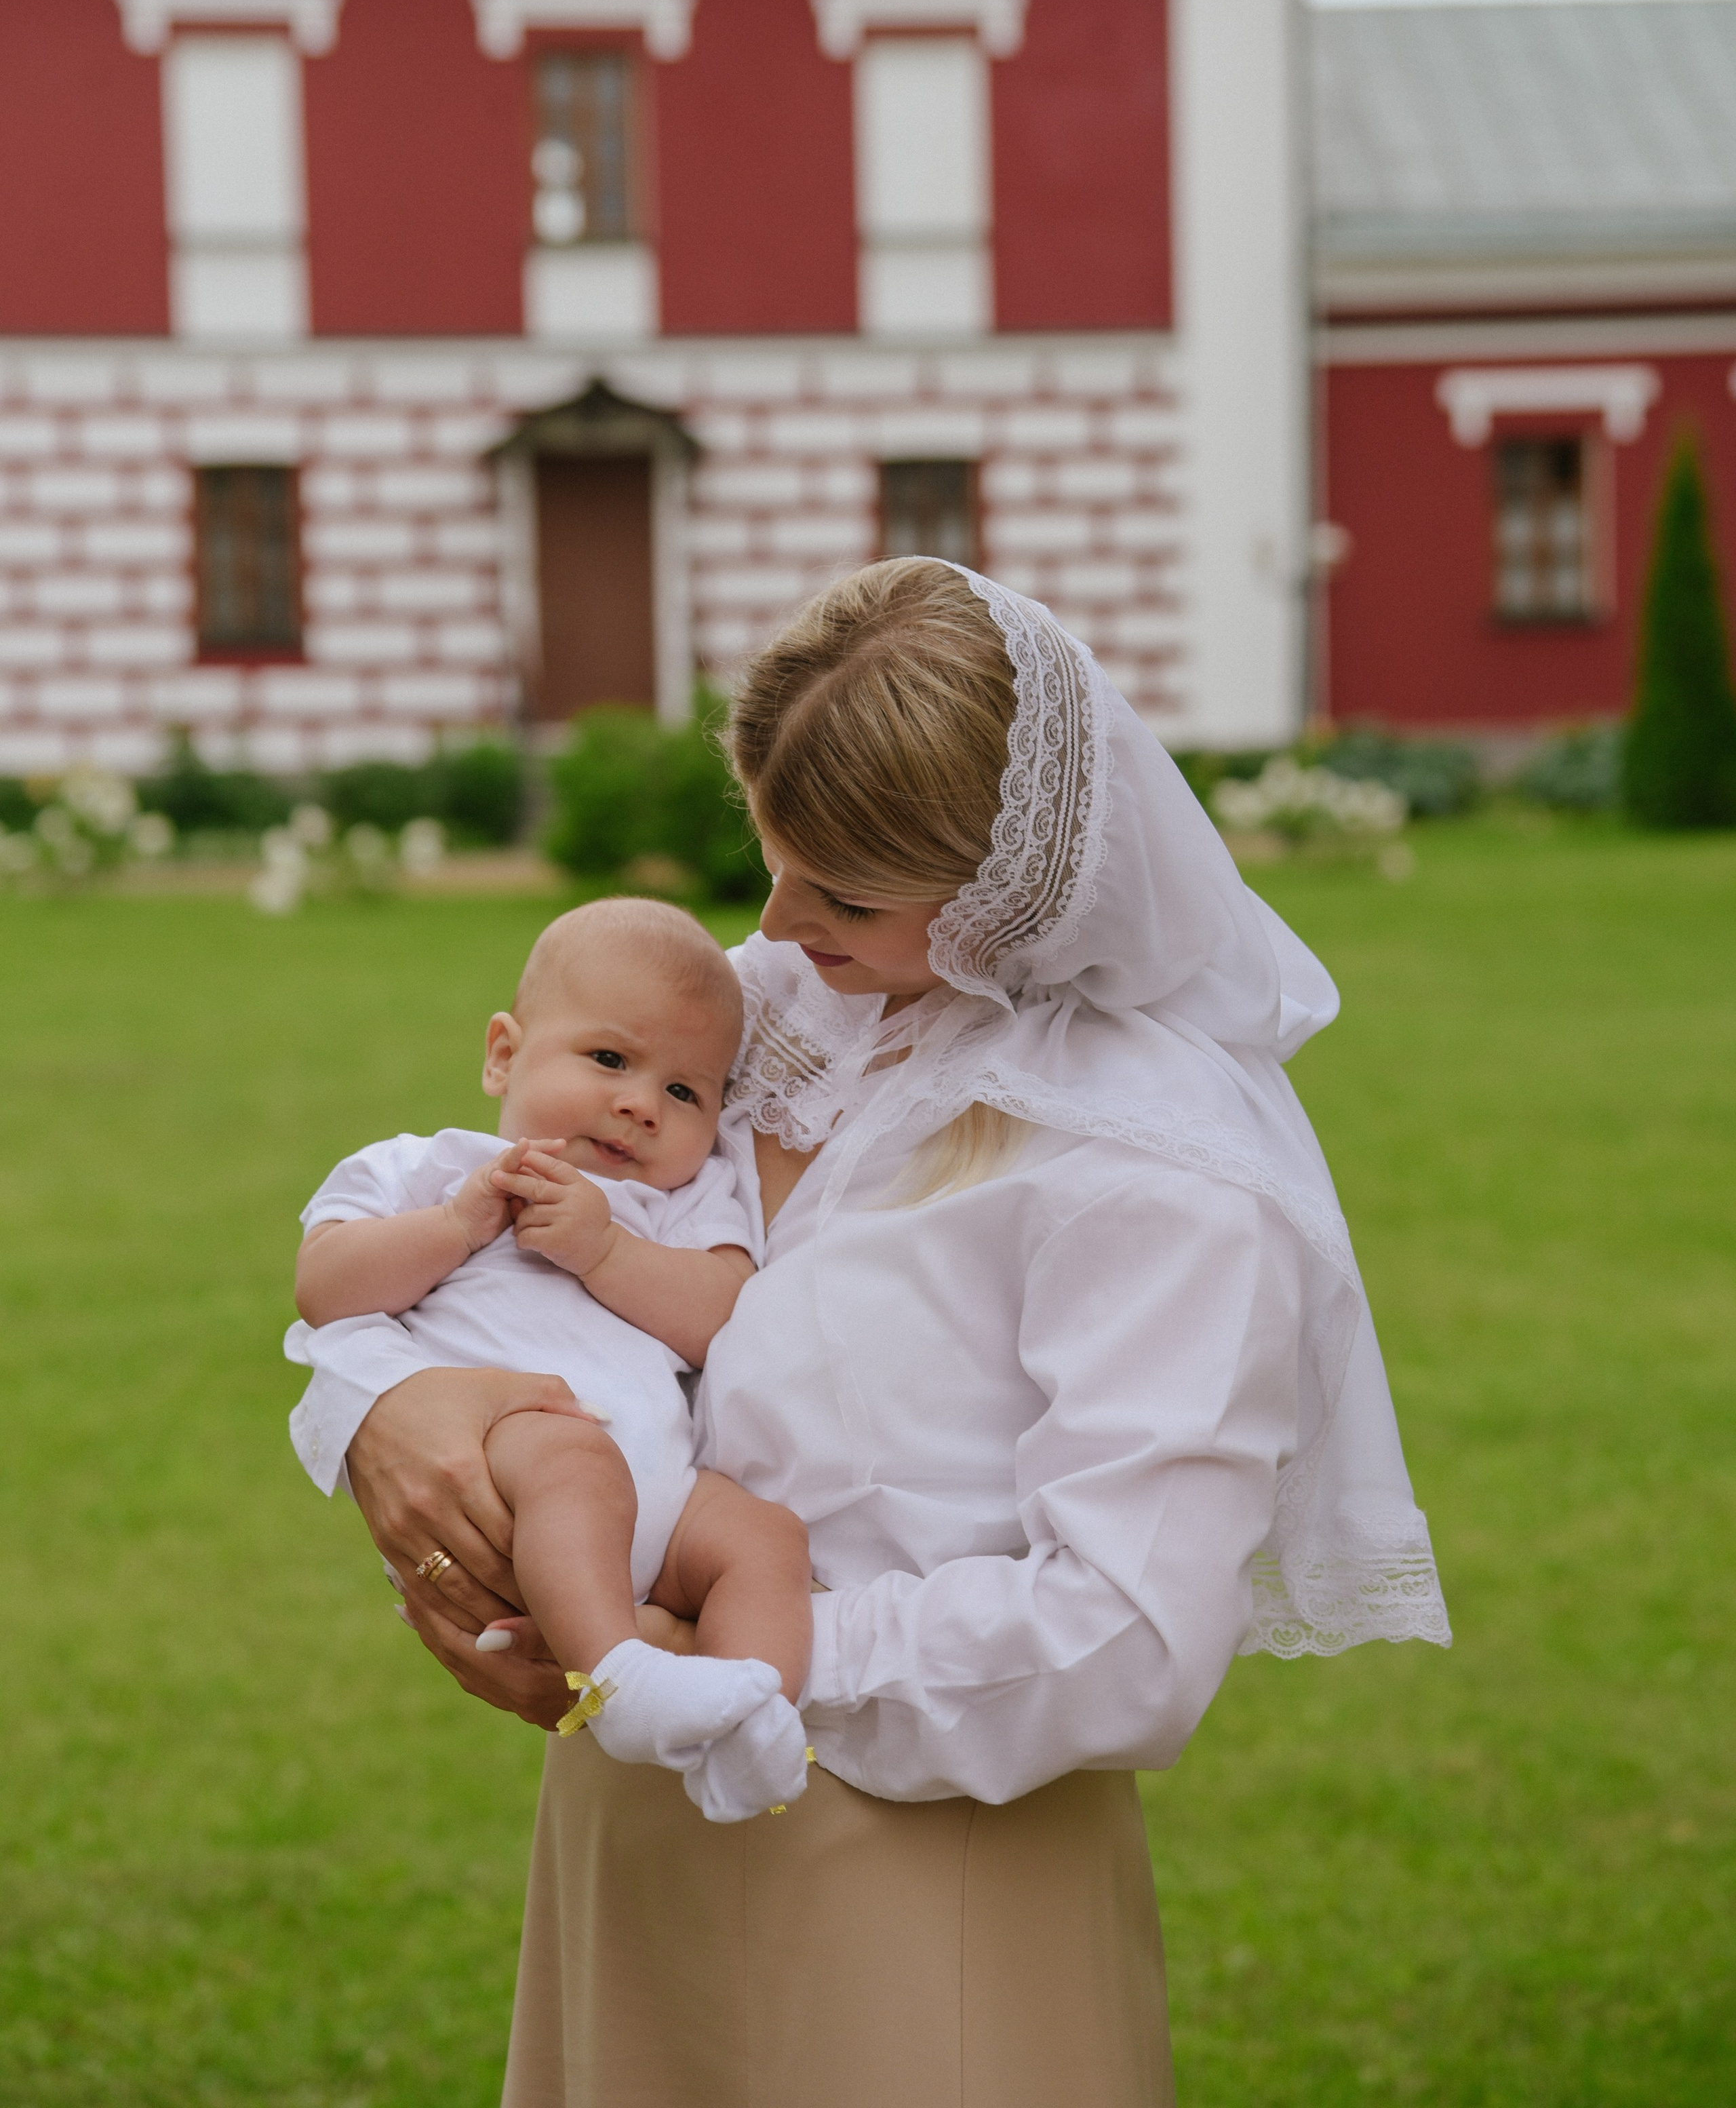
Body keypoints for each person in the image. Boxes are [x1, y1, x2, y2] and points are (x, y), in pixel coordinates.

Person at [298, 559, 1450, 2108]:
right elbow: (493, 1226)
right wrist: (395, 1425)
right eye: (771, 860)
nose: (773, 923)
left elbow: (1124, 1640)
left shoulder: (1156, 1169)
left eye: (840, 891)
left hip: (912, 1869)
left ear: (1007, 891)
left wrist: (720, 1658)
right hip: (632, 1812)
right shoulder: (776, 1011)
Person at [285, 896, 814, 1822]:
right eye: (610, 1059)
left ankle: (752, 1714)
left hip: (667, 1494)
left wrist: (607, 1251)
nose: (640, 1105)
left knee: (765, 1539)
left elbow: (724, 1316)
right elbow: (325, 1289)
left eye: (686, 1092)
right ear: (503, 1053)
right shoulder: (426, 1169)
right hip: (519, 1467)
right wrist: (459, 1223)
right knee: (573, 1457)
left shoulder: (688, 1200)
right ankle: (622, 1676)